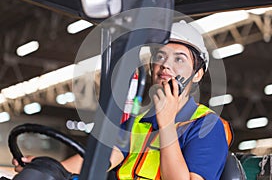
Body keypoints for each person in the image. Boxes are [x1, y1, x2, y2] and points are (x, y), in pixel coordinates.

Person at [13, 21, 233, 180]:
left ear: (197, 74)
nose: (166, 65)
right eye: (160, 57)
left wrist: (166, 123)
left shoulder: (207, 126)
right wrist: (47, 170)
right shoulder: (139, 123)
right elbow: (100, 159)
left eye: (179, 59)